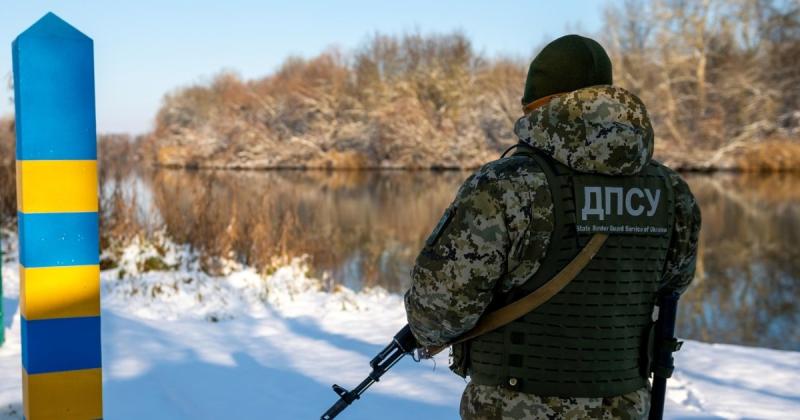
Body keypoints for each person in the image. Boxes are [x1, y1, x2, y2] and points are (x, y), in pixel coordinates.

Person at [404, 34, 701, 419]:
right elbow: (672, 287)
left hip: (514, 406)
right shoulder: (671, 191)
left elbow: (437, 312)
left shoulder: (507, 185)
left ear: (537, 106)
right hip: (625, 406)